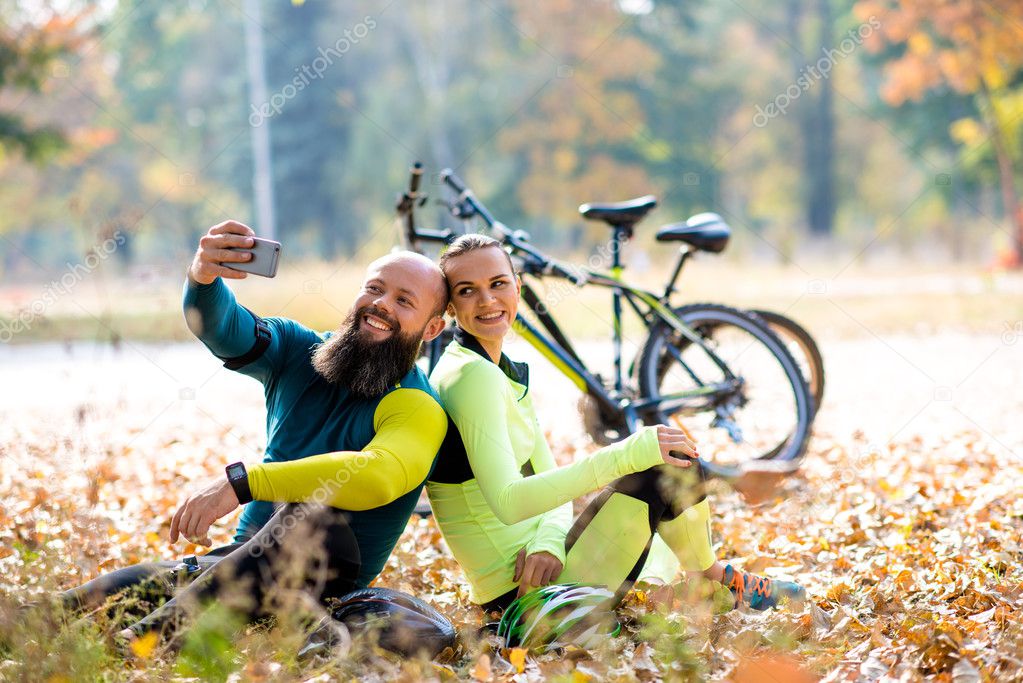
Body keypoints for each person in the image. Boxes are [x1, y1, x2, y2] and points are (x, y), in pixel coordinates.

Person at [63, 220, 450, 641]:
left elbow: (377, 476)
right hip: (231, 565)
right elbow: (224, 329)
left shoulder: (417, 406)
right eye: (374, 288)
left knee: (311, 514)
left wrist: (246, 482)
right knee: (67, 609)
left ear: (431, 329)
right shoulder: (297, 352)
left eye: (404, 300)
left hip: (317, 590)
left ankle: (143, 640)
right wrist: (203, 276)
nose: (381, 305)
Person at [426, 234, 805, 615]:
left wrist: (550, 540)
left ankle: (712, 579)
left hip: (543, 566)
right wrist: (628, 452)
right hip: (524, 596)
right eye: (467, 291)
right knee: (665, 463)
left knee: (672, 453)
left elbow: (548, 480)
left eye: (498, 283)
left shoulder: (490, 368)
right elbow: (509, 503)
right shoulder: (472, 377)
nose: (488, 300)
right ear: (451, 308)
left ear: (518, 287)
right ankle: (714, 579)